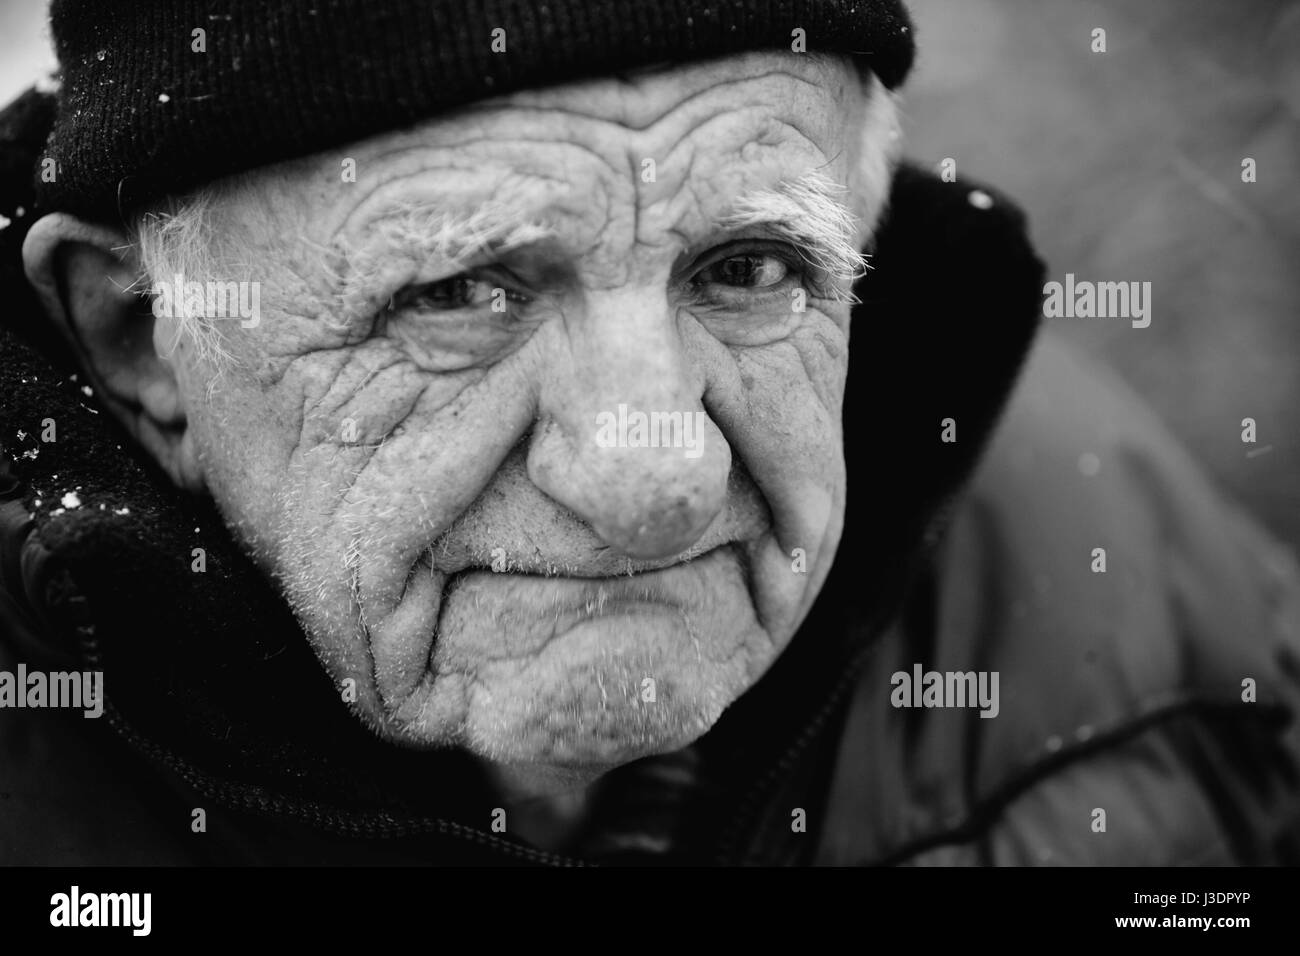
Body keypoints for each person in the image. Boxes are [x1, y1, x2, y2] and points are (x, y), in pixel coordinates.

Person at [1, 0, 1297, 865]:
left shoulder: (1153, 614)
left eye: (748, 269)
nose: (658, 481)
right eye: (459, 294)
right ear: (140, 337)